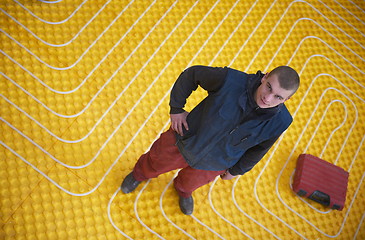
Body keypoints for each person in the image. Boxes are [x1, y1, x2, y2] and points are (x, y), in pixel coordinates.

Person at [121, 65, 300, 215]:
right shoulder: (230, 80)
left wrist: (237, 170)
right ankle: (139, 174)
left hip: (216, 163)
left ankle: (183, 191)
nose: (268, 98)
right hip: (185, 139)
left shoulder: (282, 122)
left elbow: (260, 148)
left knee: (191, 183)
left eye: (278, 97)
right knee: (155, 161)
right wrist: (176, 108)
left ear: (287, 99)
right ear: (265, 77)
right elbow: (192, 75)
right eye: (269, 87)